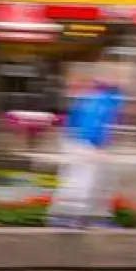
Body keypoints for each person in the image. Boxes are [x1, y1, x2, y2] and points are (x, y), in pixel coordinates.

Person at [46, 61, 126, 228]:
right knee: (83, 180)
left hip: (78, 141)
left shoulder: (99, 96)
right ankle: (70, 216)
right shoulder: (102, 99)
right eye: (120, 76)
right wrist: (95, 146)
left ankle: (80, 216)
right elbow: (93, 123)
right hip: (84, 144)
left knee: (88, 179)